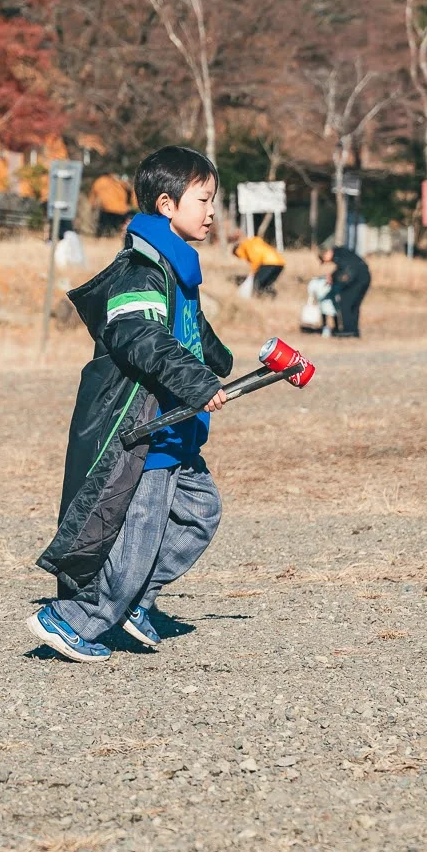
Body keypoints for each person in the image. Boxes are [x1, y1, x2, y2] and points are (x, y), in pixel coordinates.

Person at [30, 146, 233, 663]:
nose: (212, 212)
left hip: (178, 427)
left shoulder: (176, 269)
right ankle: (75, 619)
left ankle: (135, 599)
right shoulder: (140, 270)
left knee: (200, 512)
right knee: (139, 534)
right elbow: (137, 334)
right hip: (146, 428)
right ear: (166, 204)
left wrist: (219, 359)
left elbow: (189, 330)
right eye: (204, 200)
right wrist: (196, 380)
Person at [318, 243, 371, 338]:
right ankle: (353, 331)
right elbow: (344, 269)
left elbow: (347, 272)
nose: (326, 262)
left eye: (324, 260)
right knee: (354, 305)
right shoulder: (341, 253)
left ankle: (348, 331)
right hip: (365, 277)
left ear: (326, 254)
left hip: (357, 280)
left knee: (345, 302)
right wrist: (333, 276)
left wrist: (334, 278)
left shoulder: (338, 256)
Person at [231, 230, 285, 298]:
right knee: (266, 284)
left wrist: (253, 272)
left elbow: (255, 259)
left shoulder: (243, 248)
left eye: (237, 256)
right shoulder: (252, 243)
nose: (240, 258)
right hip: (280, 263)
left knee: (256, 283)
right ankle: (269, 298)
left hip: (268, 263)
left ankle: (257, 298)